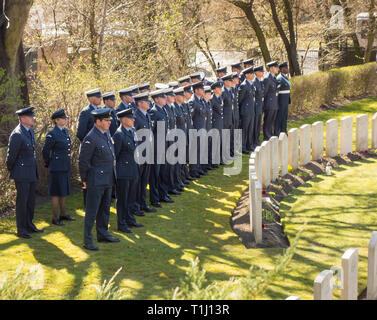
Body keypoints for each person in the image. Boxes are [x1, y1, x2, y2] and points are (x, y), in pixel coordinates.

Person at [78, 107, 120, 251]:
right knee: (92, 211)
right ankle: (87, 240)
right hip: (95, 180)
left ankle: (103, 233)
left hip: (108, 178)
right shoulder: (90, 137)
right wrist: (84, 180)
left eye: (109, 120)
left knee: (105, 209)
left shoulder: (106, 133)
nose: (110, 123)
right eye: (107, 120)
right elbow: (83, 161)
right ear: (98, 121)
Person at [6, 106, 43, 239]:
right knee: (22, 201)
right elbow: (10, 158)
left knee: (30, 200)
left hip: (31, 171)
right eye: (30, 116)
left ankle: (29, 225)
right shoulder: (17, 134)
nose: (33, 118)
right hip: (22, 173)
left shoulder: (29, 130)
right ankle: (21, 229)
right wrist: (14, 170)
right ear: (22, 119)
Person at [42, 109, 75, 226]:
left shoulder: (65, 132)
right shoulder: (52, 134)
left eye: (65, 118)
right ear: (56, 120)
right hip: (56, 167)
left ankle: (63, 214)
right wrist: (50, 163)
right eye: (63, 118)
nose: (66, 119)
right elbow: (45, 151)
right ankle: (55, 217)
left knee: (64, 191)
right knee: (56, 192)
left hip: (64, 166)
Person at [113, 108, 144, 234]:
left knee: (131, 198)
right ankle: (121, 223)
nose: (133, 120)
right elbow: (115, 155)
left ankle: (129, 219)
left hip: (133, 169)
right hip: (123, 172)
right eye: (131, 118)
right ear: (124, 120)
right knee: (122, 199)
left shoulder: (132, 131)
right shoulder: (119, 134)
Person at [76, 88, 102, 208]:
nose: (101, 99)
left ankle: (97, 203)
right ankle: (88, 205)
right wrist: (90, 145)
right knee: (88, 176)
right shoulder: (86, 112)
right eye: (98, 97)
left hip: (99, 151)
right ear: (92, 98)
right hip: (90, 150)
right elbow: (80, 133)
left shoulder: (101, 110)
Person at [149, 89, 174, 206]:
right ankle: (154, 198)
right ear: (157, 99)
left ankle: (163, 194)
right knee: (155, 174)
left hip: (164, 146)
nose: (165, 99)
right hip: (157, 148)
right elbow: (151, 133)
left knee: (163, 172)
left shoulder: (163, 110)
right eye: (163, 97)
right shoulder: (154, 112)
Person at [133, 92, 157, 213]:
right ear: (140, 103)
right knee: (138, 182)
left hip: (148, 153)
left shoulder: (146, 115)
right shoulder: (136, 117)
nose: (149, 103)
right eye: (146, 101)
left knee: (144, 181)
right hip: (140, 154)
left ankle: (142, 204)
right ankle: (135, 206)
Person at [189, 81, 207, 178]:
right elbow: (190, 118)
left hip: (202, 129)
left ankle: (199, 167)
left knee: (200, 149)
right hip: (196, 130)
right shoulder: (193, 101)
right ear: (196, 90)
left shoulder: (200, 100)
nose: (203, 90)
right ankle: (193, 170)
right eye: (201, 89)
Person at [238, 67, 256, 154]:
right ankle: (243, 147)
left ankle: (249, 145)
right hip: (245, 111)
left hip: (251, 111)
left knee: (250, 129)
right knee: (244, 130)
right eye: (251, 73)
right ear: (246, 75)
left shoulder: (251, 84)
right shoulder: (243, 85)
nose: (253, 75)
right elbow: (240, 100)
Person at [263, 61, 280, 141]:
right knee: (268, 120)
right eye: (276, 67)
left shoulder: (274, 78)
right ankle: (266, 136)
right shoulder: (267, 79)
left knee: (272, 120)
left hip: (274, 103)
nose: (277, 69)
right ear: (271, 68)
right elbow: (264, 93)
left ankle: (270, 134)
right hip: (269, 104)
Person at [275, 62, 291, 135]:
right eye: (286, 68)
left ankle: (283, 131)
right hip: (281, 101)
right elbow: (277, 91)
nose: (287, 69)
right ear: (281, 69)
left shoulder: (284, 77)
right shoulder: (279, 78)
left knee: (284, 117)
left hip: (285, 100)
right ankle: (277, 132)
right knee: (280, 117)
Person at [210, 80, 224, 167]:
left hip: (220, 122)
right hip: (215, 123)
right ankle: (214, 161)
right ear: (214, 89)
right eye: (219, 88)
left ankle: (219, 159)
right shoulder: (212, 99)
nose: (221, 89)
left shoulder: (219, 97)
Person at [252, 65, 265, 148]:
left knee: (258, 124)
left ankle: (256, 140)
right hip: (256, 106)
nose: (263, 73)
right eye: (261, 71)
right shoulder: (254, 82)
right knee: (255, 124)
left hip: (260, 106)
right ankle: (254, 141)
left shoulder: (260, 81)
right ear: (256, 73)